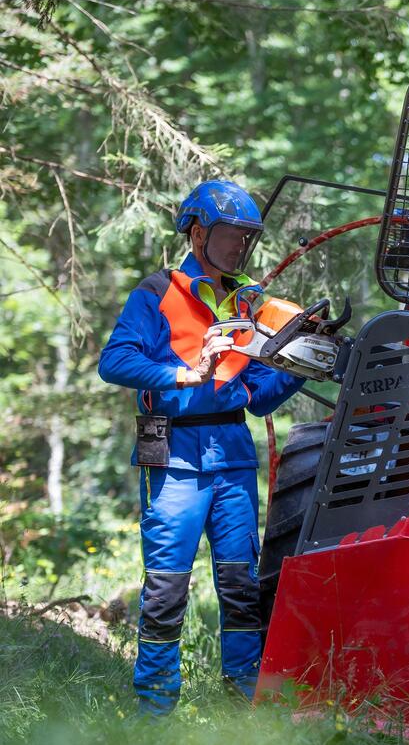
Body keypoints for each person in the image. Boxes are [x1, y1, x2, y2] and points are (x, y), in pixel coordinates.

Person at [98, 180, 305, 716]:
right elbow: (114, 362)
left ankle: (243, 703)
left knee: (240, 583)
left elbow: (258, 398)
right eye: (231, 234)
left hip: (233, 451)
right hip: (170, 449)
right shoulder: (156, 292)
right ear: (197, 233)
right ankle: (155, 708)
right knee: (167, 587)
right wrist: (184, 376)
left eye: (247, 236)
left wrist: (302, 366)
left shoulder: (250, 303)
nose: (240, 245)